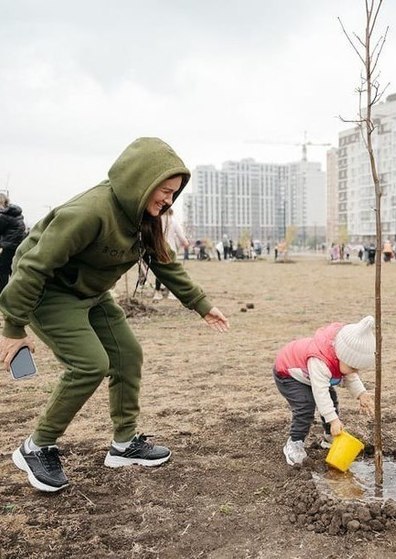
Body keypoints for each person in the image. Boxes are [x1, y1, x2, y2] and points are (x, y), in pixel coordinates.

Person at [0, 137, 230, 493]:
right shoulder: (90, 211)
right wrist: (13, 326)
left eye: (174, 193)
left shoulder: (142, 217)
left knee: (127, 356)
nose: (168, 200)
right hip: (50, 293)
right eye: (164, 191)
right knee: (90, 364)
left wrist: (201, 304)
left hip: (91, 294)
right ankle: (37, 446)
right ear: (142, 179)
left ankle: (124, 445)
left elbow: (162, 262)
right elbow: (32, 265)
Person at [273, 315, 376, 466]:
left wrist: (361, 394)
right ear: (341, 355)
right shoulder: (320, 361)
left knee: (332, 400)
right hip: (288, 373)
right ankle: (294, 443)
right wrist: (334, 420)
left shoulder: (341, 356)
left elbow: (350, 376)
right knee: (305, 406)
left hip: (309, 375)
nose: (356, 371)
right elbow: (320, 393)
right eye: (353, 367)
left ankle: (330, 436)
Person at [154, 207, 189, 300]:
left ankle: (157, 292)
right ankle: (171, 293)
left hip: (159, 248)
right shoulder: (173, 220)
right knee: (171, 271)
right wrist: (185, 243)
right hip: (171, 249)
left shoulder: (157, 219)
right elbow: (181, 236)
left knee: (159, 270)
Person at [0, 193, 27, 293]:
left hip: (8, 246)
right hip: (17, 246)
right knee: (14, 270)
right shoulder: (15, 213)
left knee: (2, 270)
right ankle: (17, 292)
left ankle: (2, 294)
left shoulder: (4, 216)